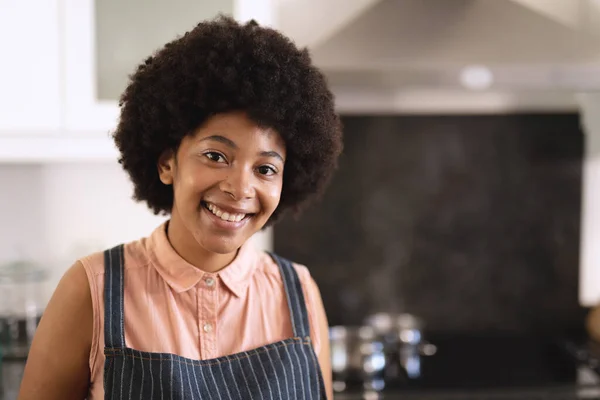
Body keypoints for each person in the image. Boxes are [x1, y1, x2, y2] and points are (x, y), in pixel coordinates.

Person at [18, 15, 343, 400]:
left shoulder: (300, 293)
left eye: (265, 168)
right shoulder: (92, 290)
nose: (240, 188)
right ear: (167, 163)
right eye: (215, 155)